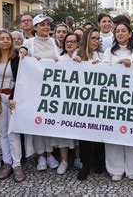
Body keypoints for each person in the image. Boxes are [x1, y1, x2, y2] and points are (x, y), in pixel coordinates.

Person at [103, 22, 133, 181]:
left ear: (130, 34)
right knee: (113, 133)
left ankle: (132, 168)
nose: (120, 33)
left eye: (124, 31)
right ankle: (115, 168)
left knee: (131, 133)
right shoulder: (109, 51)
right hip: (113, 98)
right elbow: (103, 72)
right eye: (117, 31)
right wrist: (119, 64)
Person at [22, 14, 60, 172]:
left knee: (49, 122)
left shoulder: (53, 41)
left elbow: (59, 61)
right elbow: (24, 64)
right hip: (34, 90)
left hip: (51, 90)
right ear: (35, 27)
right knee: (37, 122)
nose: (46, 27)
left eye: (47, 24)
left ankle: (50, 153)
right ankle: (40, 156)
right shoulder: (28, 43)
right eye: (42, 24)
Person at [0, 31, 25, 182]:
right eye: (2, 39)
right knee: (3, 133)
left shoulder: (17, 58)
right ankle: (7, 163)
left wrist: (13, 97)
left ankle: (17, 165)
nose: (5, 41)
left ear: (12, 42)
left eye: (8, 39)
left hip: (11, 98)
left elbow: (21, 80)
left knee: (13, 133)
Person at [77, 28, 105, 180]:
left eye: (98, 38)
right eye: (93, 38)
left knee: (100, 131)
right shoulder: (78, 55)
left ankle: (99, 162)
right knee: (84, 134)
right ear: (87, 39)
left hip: (100, 99)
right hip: (84, 100)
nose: (96, 41)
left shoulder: (103, 54)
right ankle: (85, 165)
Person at [52, 33, 79, 174]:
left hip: (79, 102)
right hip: (63, 101)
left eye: (73, 42)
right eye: (67, 42)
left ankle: (79, 158)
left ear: (78, 44)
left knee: (80, 130)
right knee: (62, 130)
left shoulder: (83, 59)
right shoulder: (59, 59)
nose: (69, 44)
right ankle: (64, 161)